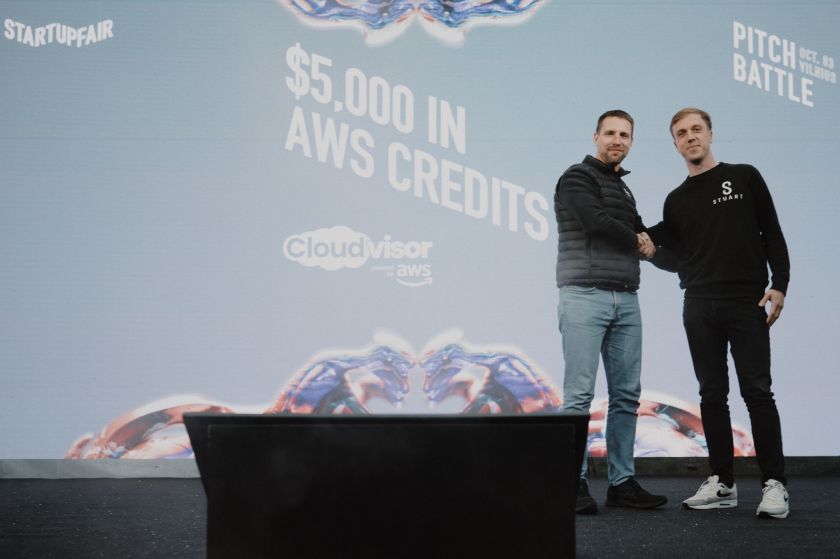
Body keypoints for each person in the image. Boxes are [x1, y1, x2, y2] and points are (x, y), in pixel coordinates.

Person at [646, 108, 790, 519]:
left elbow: (772, 231)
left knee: (757, 391)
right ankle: (722, 482)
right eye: (681, 133)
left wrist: (780, 283)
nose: (690, 136)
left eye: (696, 129)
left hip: (746, 302)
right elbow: (677, 258)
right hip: (698, 305)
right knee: (711, 394)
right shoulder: (676, 200)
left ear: (710, 134)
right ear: (675, 144)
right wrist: (650, 252)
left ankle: (774, 484)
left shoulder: (744, 177)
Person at [554, 110, 667, 514]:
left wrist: (657, 244)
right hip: (584, 295)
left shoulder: (623, 189)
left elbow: (643, 234)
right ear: (596, 136)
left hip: (626, 298)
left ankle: (621, 483)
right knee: (579, 396)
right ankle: (571, 483)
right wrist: (640, 242)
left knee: (626, 396)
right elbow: (595, 222)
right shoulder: (576, 177)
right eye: (611, 133)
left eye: (625, 135)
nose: (617, 140)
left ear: (631, 141)